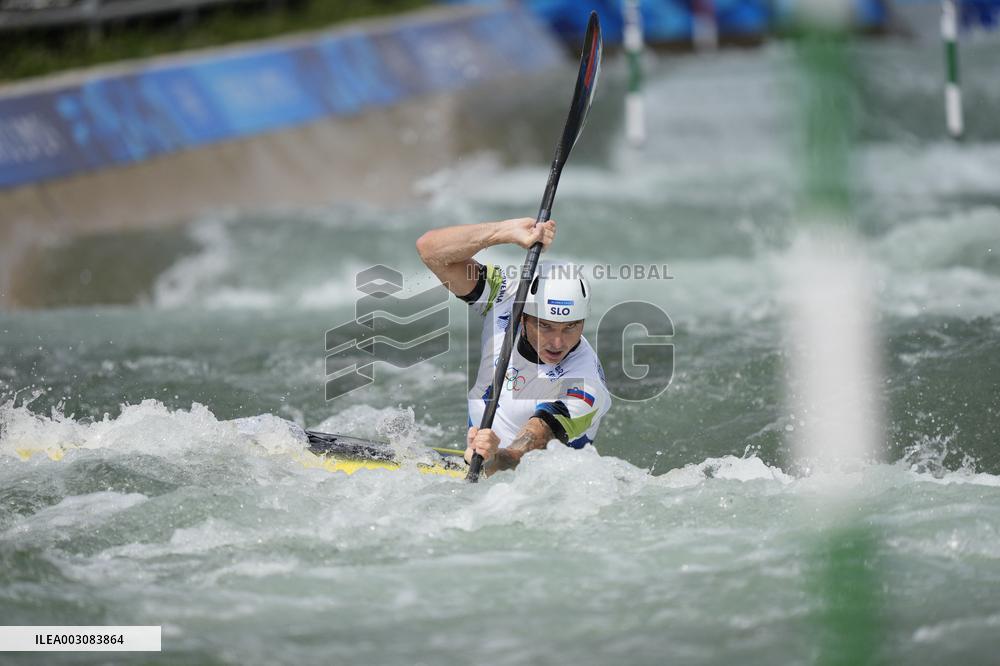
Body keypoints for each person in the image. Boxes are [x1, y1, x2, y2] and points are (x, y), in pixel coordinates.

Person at [416, 217, 611, 477]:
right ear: (523, 317)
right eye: (545, 326)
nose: (558, 342)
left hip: (535, 488)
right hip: (481, 460)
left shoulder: (585, 385)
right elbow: (431, 251)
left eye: (570, 327)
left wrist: (494, 458)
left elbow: (530, 447)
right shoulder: (505, 299)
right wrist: (504, 232)